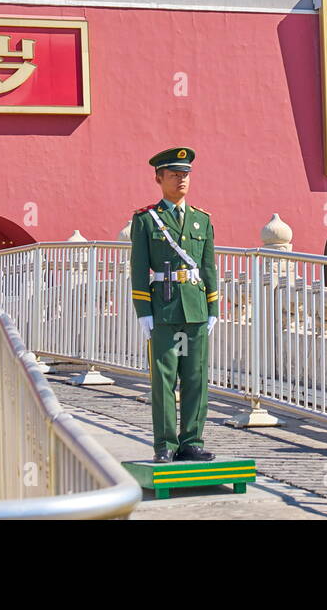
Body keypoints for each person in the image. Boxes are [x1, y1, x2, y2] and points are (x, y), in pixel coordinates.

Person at [130, 147, 218, 463]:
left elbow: (208, 267)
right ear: (159, 178)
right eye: (174, 174)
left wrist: (213, 308)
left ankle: (191, 441)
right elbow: (138, 269)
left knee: (195, 376)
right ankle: (165, 444)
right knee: (164, 378)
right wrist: (144, 312)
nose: (181, 179)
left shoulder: (201, 220)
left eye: (185, 174)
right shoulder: (146, 219)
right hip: (164, 307)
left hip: (194, 307)